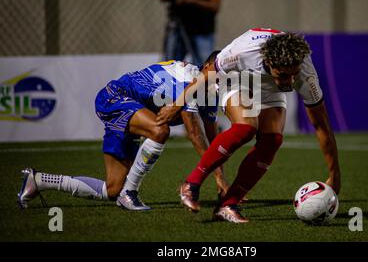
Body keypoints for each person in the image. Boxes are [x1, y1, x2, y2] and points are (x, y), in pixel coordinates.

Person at [156, 28, 342, 223]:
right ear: (269, 62)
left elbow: (322, 126)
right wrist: (176, 105)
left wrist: (334, 173)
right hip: (239, 78)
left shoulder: (305, 74)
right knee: (246, 127)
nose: (290, 82)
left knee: (272, 140)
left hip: (270, 87)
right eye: (284, 75)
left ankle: (228, 205)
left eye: (294, 74)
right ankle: (191, 184)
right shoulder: (242, 53)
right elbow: (206, 74)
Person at [17, 56, 230, 211]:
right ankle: (130, 194)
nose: (220, 82)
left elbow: (212, 137)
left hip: (133, 108)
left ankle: (38, 180)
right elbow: (194, 133)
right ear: (207, 67)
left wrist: (221, 178)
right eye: (218, 76)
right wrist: (218, 176)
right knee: (159, 130)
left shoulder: (209, 93)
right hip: (114, 98)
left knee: (111, 189)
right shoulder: (187, 81)